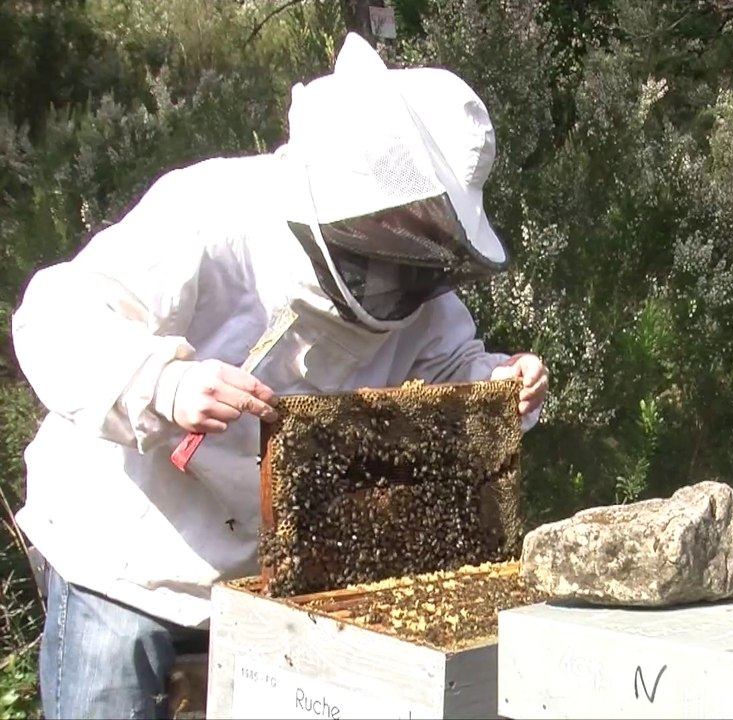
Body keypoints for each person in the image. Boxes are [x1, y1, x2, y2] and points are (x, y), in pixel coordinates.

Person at [10, 33, 548, 719]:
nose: (407, 253)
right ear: (363, 188)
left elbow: (446, 366)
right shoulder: (213, 210)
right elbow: (57, 316)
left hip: (278, 591)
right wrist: (162, 384)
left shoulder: (414, 283)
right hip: (128, 561)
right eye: (405, 223)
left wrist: (500, 382)